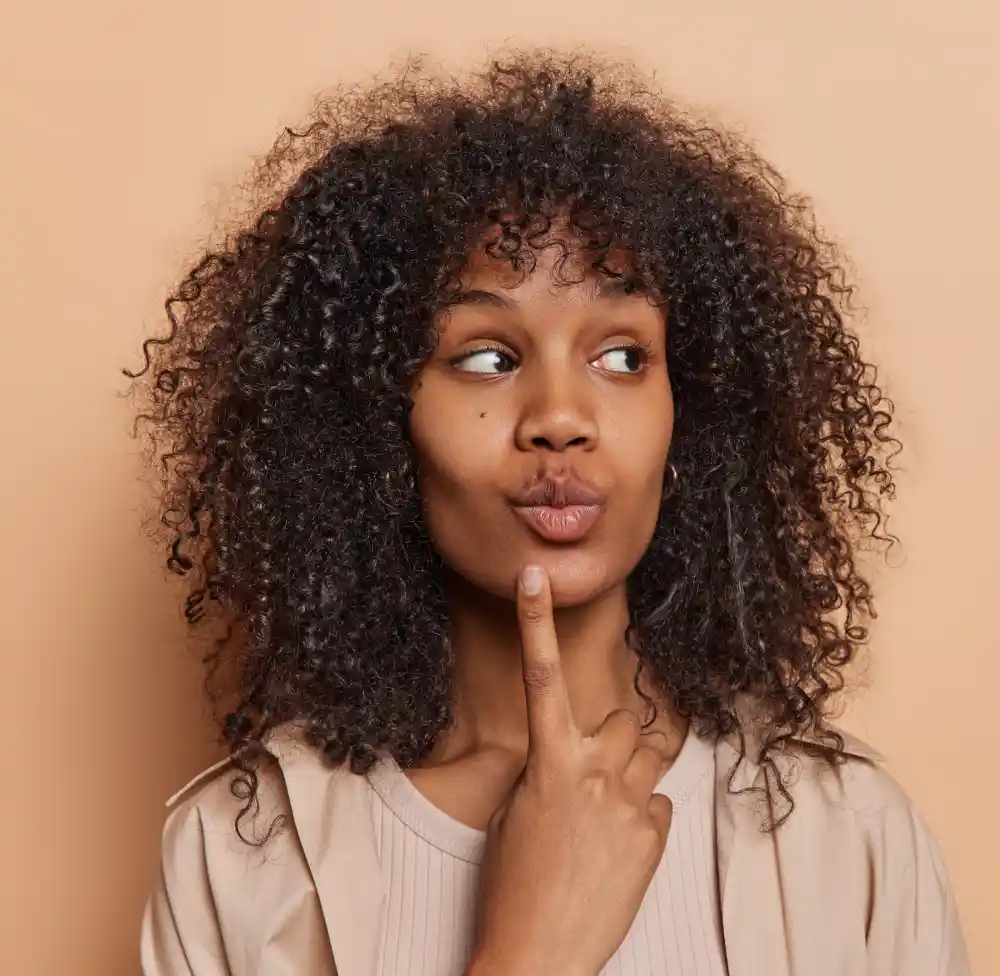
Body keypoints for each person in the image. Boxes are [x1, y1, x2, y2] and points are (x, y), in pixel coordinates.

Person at [130, 49, 971, 976]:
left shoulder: (846, 839)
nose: (562, 420)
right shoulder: (244, 860)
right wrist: (528, 952)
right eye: (487, 359)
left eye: (621, 357)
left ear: (689, 416)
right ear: (376, 428)